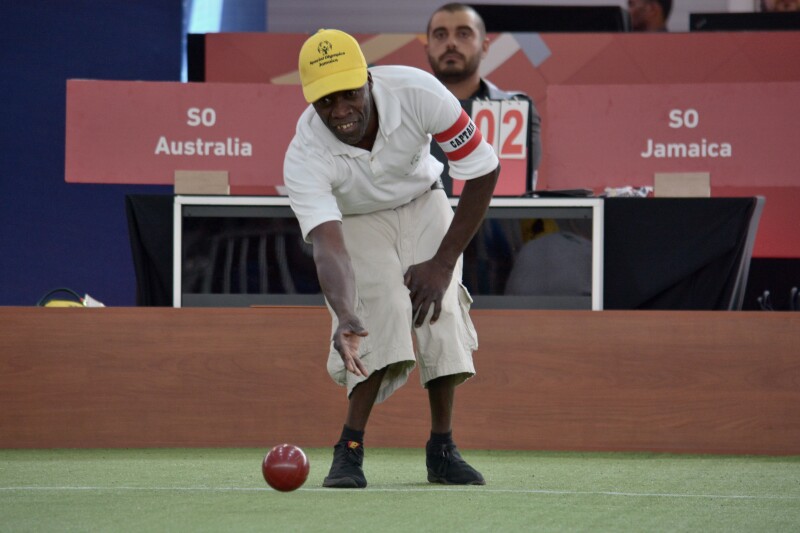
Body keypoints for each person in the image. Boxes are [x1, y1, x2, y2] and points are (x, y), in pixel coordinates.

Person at [283, 28, 500, 488]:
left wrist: (442, 265)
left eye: (349, 94)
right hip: (356, 217)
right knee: (375, 312)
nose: (340, 111)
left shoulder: (418, 90)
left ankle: (442, 449)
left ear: (369, 77)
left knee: (437, 310)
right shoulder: (304, 153)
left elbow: (482, 169)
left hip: (424, 200)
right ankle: (350, 449)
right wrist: (343, 314)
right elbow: (327, 242)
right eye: (325, 102)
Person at [425, 3, 541, 192]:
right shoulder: (406, 111)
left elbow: (516, 190)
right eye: (440, 35)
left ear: (485, 46)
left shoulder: (517, 108)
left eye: (463, 34)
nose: (451, 43)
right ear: (427, 48)